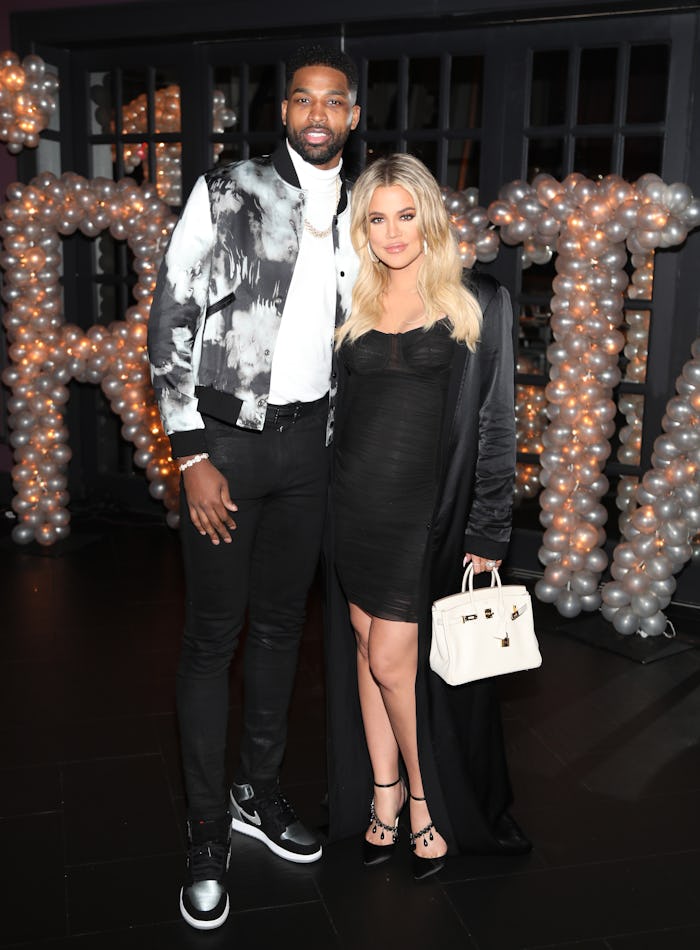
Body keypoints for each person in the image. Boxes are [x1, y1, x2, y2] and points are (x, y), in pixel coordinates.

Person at [147, 44, 360, 930]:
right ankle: (203, 830)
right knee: (212, 639)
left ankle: (256, 792)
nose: (316, 113)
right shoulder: (226, 190)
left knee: (282, 630)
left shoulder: (366, 207)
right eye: (302, 99)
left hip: (311, 450)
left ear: (352, 113)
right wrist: (190, 454)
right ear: (284, 111)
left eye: (333, 101)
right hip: (225, 449)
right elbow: (170, 317)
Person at [324, 153, 531, 880]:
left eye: (405, 215)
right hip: (352, 507)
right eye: (376, 218)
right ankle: (381, 799)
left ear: (430, 216)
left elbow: (497, 427)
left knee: (392, 660)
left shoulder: (481, 301)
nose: (392, 232)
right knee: (363, 648)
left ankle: (424, 801)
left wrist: (489, 528)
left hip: (428, 517)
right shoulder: (353, 300)